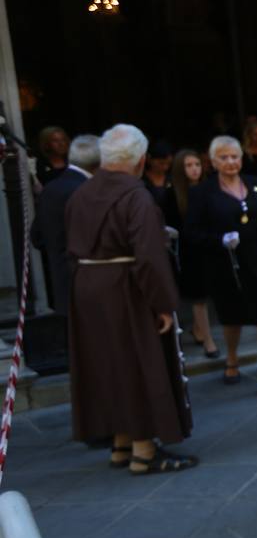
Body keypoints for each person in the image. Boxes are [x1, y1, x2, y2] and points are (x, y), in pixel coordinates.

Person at [66, 124, 196, 474]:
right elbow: (149, 256)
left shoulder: (81, 192)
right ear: (140, 160)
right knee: (139, 365)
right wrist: (162, 304)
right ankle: (143, 451)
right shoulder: (136, 195)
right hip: (126, 288)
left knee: (110, 366)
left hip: (89, 288)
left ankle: (121, 442)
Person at [186, 136, 257, 397]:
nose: (231, 162)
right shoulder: (202, 192)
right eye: (224, 157)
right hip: (226, 266)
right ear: (214, 161)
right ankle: (231, 359)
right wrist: (219, 240)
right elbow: (192, 232)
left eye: (235, 156)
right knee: (232, 318)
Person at [32, 135, 99, 316]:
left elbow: (37, 238)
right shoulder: (89, 191)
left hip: (61, 288)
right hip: (93, 289)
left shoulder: (51, 189)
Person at [165, 149, 219, 358]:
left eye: (197, 164)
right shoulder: (172, 194)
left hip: (210, 246)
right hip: (189, 251)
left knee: (209, 293)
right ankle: (208, 340)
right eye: (189, 165)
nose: (194, 169)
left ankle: (199, 330)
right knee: (199, 297)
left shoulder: (211, 188)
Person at [142, 140, 174, 209]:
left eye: (168, 164)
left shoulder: (172, 179)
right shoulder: (141, 179)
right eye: (161, 163)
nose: (165, 167)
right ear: (149, 159)